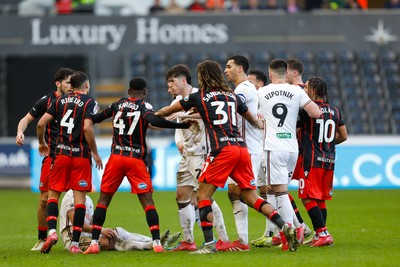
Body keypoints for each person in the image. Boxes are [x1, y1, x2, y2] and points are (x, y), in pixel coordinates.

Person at [155, 60, 299, 254]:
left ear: (203, 76)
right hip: (241, 148)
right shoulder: (232, 95)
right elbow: (253, 119)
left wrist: (153, 114)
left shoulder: (199, 96)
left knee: (202, 196)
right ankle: (285, 227)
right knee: (251, 196)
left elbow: (168, 111)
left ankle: (208, 245)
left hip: (221, 150)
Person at [83, 78, 197, 254]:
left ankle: (93, 244)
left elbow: (95, 118)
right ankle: (157, 243)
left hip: (115, 158)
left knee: (103, 202)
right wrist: (181, 125)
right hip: (135, 159)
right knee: (148, 203)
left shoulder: (116, 104)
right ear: (144, 92)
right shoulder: (145, 106)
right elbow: (155, 121)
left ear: (129, 92)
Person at [165, 65, 231, 251]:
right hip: (187, 154)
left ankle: (223, 238)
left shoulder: (200, 96)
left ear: (183, 80)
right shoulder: (178, 100)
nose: (169, 86)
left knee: (205, 197)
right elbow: (178, 124)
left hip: (202, 152)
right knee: (181, 195)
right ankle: (188, 241)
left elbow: (209, 116)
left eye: (172, 81)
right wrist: (178, 141)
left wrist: (184, 114)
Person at [257, 59, 321, 250]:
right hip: (292, 147)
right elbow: (316, 113)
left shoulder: (262, 92)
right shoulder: (297, 91)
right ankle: (295, 229)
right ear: (286, 73)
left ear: (270, 74)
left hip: (273, 146)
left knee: (279, 191)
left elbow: (254, 115)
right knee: (281, 190)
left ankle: (291, 231)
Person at [37, 71, 103, 254]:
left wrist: (42, 143)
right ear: (86, 85)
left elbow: (41, 123)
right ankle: (74, 244)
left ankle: (51, 232)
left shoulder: (59, 101)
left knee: (53, 195)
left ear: (71, 86)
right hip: (80, 156)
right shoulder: (90, 102)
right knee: (79, 200)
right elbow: (88, 128)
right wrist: (95, 152)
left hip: (61, 154)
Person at [15, 67, 74, 251]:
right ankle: (43, 238)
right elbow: (26, 119)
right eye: (67, 83)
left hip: (74, 154)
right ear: (58, 84)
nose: (71, 86)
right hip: (52, 156)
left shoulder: (75, 101)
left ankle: (77, 238)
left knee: (76, 199)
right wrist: (20, 131)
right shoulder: (47, 101)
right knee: (44, 199)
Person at [297, 77, 347, 247]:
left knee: (306, 197)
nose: (303, 90)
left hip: (311, 159)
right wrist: (327, 144)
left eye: (306, 88)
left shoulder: (307, 110)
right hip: (329, 159)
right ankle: (320, 234)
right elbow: (344, 136)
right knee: (320, 198)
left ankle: (323, 233)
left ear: (314, 91)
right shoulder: (335, 110)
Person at [223, 55, 263, 251]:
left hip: (249, 150)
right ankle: (243, 241)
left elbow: (231, 106)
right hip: (238, 150)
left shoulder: (245, 88)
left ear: (239, 68)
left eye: (229, 66)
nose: (225, 70)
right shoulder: (240, 89)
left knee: (249, 195)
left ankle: (290, 227)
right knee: (234, 193)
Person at [60, 189, 180, 252]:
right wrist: (101, 230)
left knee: (119, 232)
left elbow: (89, 223)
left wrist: (101, 231)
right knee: (111, 241)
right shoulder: (70, 195)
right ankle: (148, 246)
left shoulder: (88, 199)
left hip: (88, 235)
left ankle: (154, 241)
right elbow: (77, 223)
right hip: (74, 239)